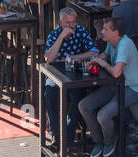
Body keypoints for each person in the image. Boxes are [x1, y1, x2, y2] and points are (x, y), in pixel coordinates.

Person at [76, 16, 138, 157]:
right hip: (115, 85)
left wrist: (102, 63)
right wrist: (94, 61)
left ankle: (109, 141)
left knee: (103, 116)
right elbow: (105, 55)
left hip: (132, 89)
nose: (102, 31)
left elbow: (116, 72)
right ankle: (98, 141)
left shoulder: (125, 44)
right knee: (83, 106)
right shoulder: (111, 42)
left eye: (105, 29)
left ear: (116, 32)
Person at [41, 7, 98, 146]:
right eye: (67, 23)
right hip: (56, 72)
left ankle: (68, 136)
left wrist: (73, 57)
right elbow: (49, 58)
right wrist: (61, 37)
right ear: (60, 22)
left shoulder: (80, 31)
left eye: (73, 22)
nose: (70, 26)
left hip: (75, 72)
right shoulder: (54, 34)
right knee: (50, 93)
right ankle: (56, 134)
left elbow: (94, 51)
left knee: (78, 97)